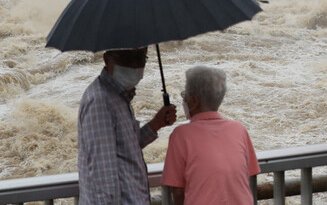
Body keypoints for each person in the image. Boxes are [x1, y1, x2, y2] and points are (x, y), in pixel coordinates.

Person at [78, 47, 177, 205]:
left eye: (140, 58)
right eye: (127, 58)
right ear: (107, 59)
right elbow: (103, 177)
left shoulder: (119, 96)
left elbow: (126, 147)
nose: (135, 65)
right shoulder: (100, 102)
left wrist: (156, 124)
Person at [162, 66, 260, 204]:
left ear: (194, 101)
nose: (184, 99)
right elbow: (245, 175)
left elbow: (178, 191)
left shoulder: (181, 135)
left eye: (185, 95)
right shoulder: (239, 129)